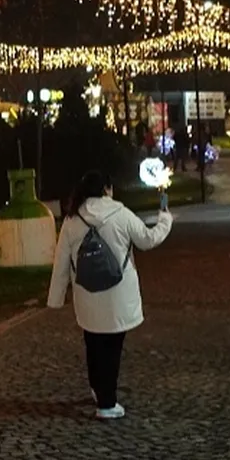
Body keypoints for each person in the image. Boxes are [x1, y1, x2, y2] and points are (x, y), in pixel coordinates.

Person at [47, 170, 174, 420]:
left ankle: (98, 389)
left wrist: (56, 298)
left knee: (93, 343)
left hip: (86, 294)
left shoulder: (73, 220)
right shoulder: (121, 214)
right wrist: (165, 220)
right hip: (117, 294)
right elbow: (148, 240)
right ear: (107, 189)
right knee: (112, 348)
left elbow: (61, 261)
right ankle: (107, 403)